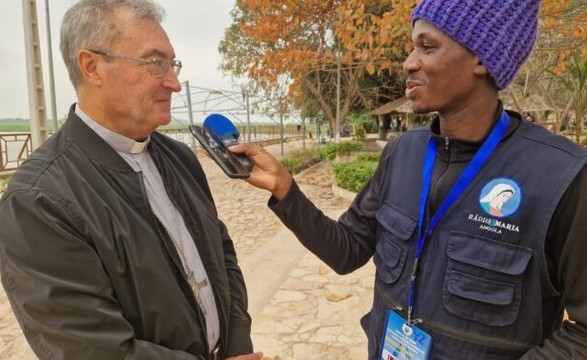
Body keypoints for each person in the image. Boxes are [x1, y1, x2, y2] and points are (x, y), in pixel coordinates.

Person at [231, 0, 587, 358]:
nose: (408, 62)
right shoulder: (404, 152)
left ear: (481, 59)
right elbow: (346, 250)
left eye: (427, 47)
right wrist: (284, 189)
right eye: (412, 47)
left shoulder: (563, 177)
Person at [0, 1, 262, 359]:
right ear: (91, 66)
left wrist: (236, 346)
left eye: (172, 64)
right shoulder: (38, 199)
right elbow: (91, 349)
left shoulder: (180, 158)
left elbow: (221, 252)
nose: (173, 83)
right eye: (155, 63)